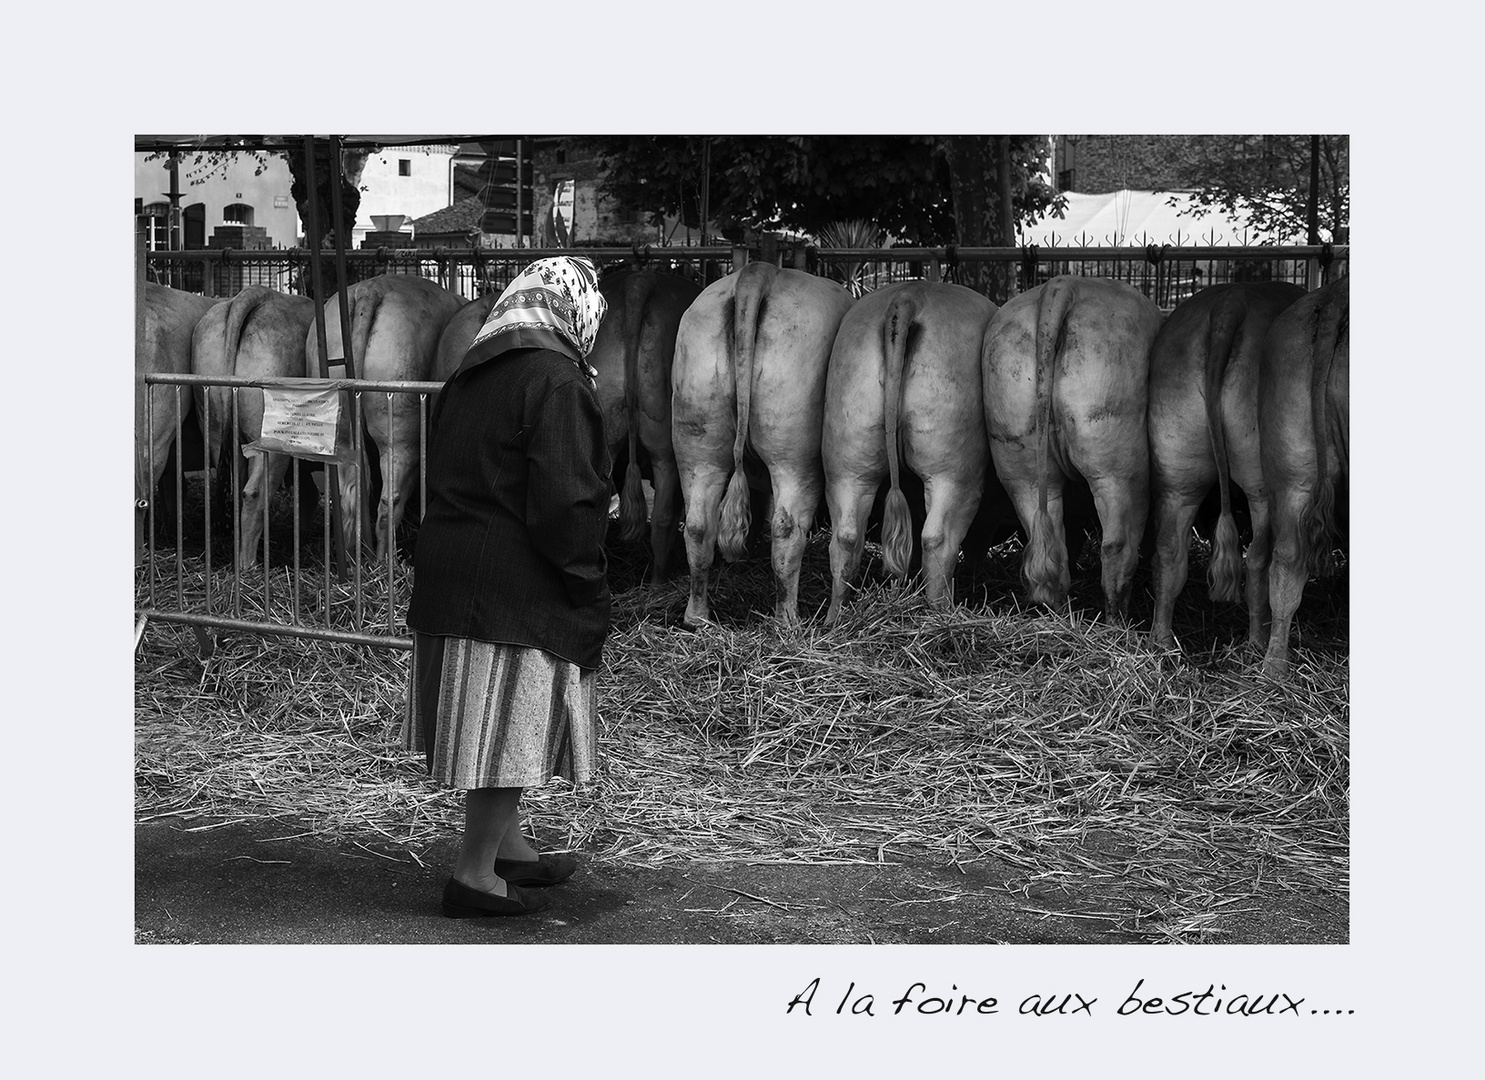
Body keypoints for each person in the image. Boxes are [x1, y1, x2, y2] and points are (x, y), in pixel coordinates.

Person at [404, 256, 611, 918]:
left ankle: (508, 849)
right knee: (506, 736)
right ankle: (472, 876)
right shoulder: (556, 382)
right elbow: (564, 501)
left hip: (455, 572)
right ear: (573, 310)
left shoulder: (470, 372)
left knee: (500, 729)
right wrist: (587, 576)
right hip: (514, 586)